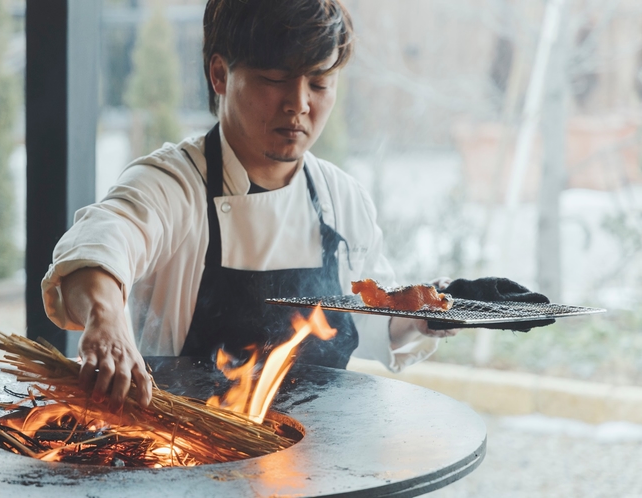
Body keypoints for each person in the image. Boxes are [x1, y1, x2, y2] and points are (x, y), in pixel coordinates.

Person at [42, 0, 456, 411]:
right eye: (275, 79)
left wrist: (425, 314)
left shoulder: (340, 198)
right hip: (189, 459)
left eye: (319, 82)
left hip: (319, 465)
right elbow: (101, 242)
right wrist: (106, 319)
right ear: (220, 75)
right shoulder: (173, 183)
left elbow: (369, 319)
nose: (298, 103)